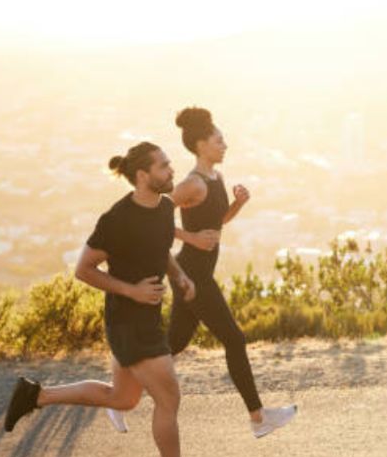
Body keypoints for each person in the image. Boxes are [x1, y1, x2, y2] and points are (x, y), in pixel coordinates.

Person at [3, 141, 224, 457]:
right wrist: (131, 291)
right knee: (169, 398)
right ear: (143, 175)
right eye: (164, 167)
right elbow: (83, 270)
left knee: (121, 398)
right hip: (129, 322)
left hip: (145, 320)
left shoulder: (164, 206)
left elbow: (161, 246)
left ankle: (35, 396)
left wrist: (180, 276)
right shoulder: (117, 219)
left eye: (170, 165)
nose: (172, 171)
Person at [106, 106, 296, 439]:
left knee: (173, 343)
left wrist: (237, 205)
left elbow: (216, 220)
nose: (225, 145)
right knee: (234, 339)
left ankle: (117, 397)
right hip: (193, 274)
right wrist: (189, 237)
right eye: (219, 140)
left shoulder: (215, 178)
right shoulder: (192, 184)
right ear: (201, 145)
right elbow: (154, 217)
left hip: (197, 272)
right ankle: (258, 417)